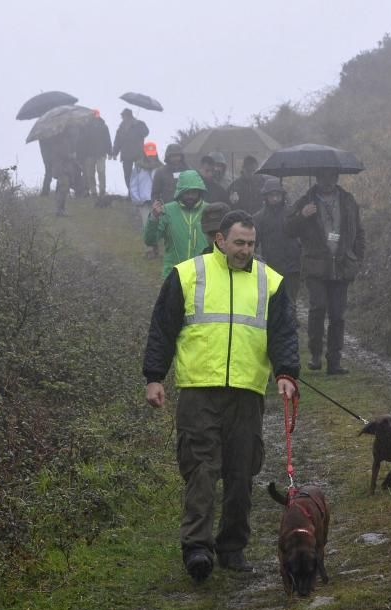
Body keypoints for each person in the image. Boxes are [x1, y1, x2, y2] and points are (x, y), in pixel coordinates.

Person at [143, 210, 299, 581]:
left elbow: (283, 333)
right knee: (201, 468)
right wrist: (154, 377)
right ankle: (196, 547)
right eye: (239, 242)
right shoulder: (187, 274)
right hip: (199, 389)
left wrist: (286, 373)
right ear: (220, 240)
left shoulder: (270, 282)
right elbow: (162, 329)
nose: (245, 250)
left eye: (250, 244)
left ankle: (232, 547)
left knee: (241, 472)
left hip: (246, 392)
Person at [287, 168, 365, 375]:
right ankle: (315, 355)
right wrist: (302, 216)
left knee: (338, 316)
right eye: (324, 176)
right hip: (315, 266)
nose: (328, 180)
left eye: (332, 176)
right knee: (317, 309)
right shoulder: (305, 201)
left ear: (337, 178)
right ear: (317, 178)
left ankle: (334, 362)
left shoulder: (348, 200)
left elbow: (359, 231)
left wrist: (358, 260)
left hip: (341, 265)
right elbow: (288, 229)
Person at [144, 170, 209, 279]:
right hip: (173, 276)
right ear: (180, 192)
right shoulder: (167, 210)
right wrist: (154, 218)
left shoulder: (209, 211)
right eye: (186, 192)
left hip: (203, 276)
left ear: (200, 192)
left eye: (194, 192)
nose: (190, 196)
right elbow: (150, 240)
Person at [253, 177, 301, 307]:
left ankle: (291, 326)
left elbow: (302, 235)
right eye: (271, 195)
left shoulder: (292, 213)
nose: (275, 198)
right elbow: (253, 242)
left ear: (282, 195)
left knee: (291, 303)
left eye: (277, 194)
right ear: (266, 197)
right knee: (273, 305)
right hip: (270, 267)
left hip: (292, 267)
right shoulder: (259, 218)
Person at [130, 142, 163, 257]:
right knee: (147, 225)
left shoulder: (161, 167)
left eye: (152, 153)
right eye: (148, 153)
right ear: (144, 153)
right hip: (143, 202)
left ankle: (156, 248)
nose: (151, 156)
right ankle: (149, 250)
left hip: (158, 201)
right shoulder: (138, 168)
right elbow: (133, 185)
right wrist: (137, 200)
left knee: (158, 225)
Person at [112, 108, 150, 193]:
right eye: (122, 116)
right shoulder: (121, 127)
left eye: (124, 115)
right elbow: (117, 140)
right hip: (126, 154)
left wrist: (139, 125)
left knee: (139, 174)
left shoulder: (139, 124)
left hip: (138, 153)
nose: (123, 117)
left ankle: (140, 192)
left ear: (129, 115)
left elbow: (146, 133)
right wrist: (114, 152)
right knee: (127, 175)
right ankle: (131, 192)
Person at [77, 109, 113, 199]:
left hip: (100, 154)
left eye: (96, 115)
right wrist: (81, 155)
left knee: (100, 172)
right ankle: (93, 192)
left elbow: (107, 140)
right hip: (89, 155)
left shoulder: (103, 126)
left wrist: (110, 152)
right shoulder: (85, 127)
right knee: (90, 174)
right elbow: (81, 142)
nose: (95, 116)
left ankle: (102, 191)